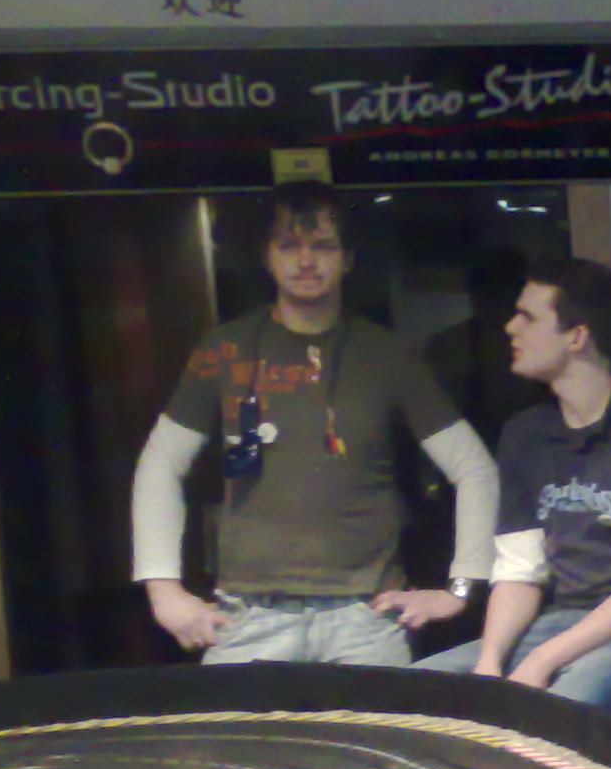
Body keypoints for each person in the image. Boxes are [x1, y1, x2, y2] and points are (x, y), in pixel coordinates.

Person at [131, 182, 498, 665]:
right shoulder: (224, 349)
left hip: (366, 622)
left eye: (323, 246)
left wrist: (461, 588)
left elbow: (474, 467)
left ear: (348, 259)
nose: (306, 261)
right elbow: (160, 463)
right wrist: (162, 589)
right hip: (248, 618)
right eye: (289, 245)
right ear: (266, 256)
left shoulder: (388, 355)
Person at [417, 258, 611, 721]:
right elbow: (520, 569)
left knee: (549, 716)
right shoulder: (525, 434)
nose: (510, 327)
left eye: (528, 316)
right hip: (558, 621)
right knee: (417, 690)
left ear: (577, 337)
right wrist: (489, 664)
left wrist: (542, 660)